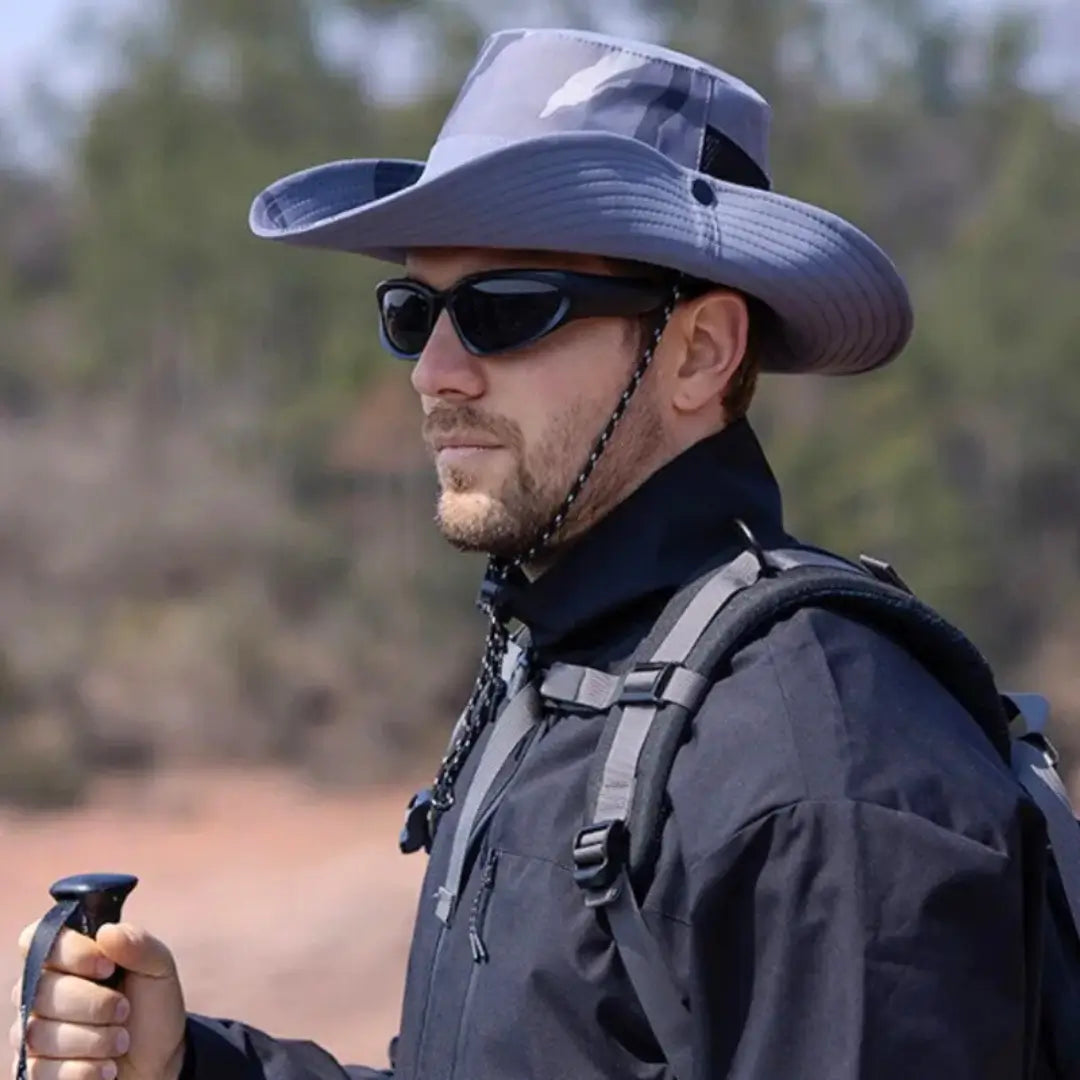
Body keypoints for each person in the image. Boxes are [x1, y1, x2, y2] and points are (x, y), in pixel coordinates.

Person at [10, 27, 1046, 1080]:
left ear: (699, 353)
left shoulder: (820, 753)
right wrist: (189, 1067)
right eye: (415, 313)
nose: (435, 373)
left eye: (507, 311)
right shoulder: (571, 679)